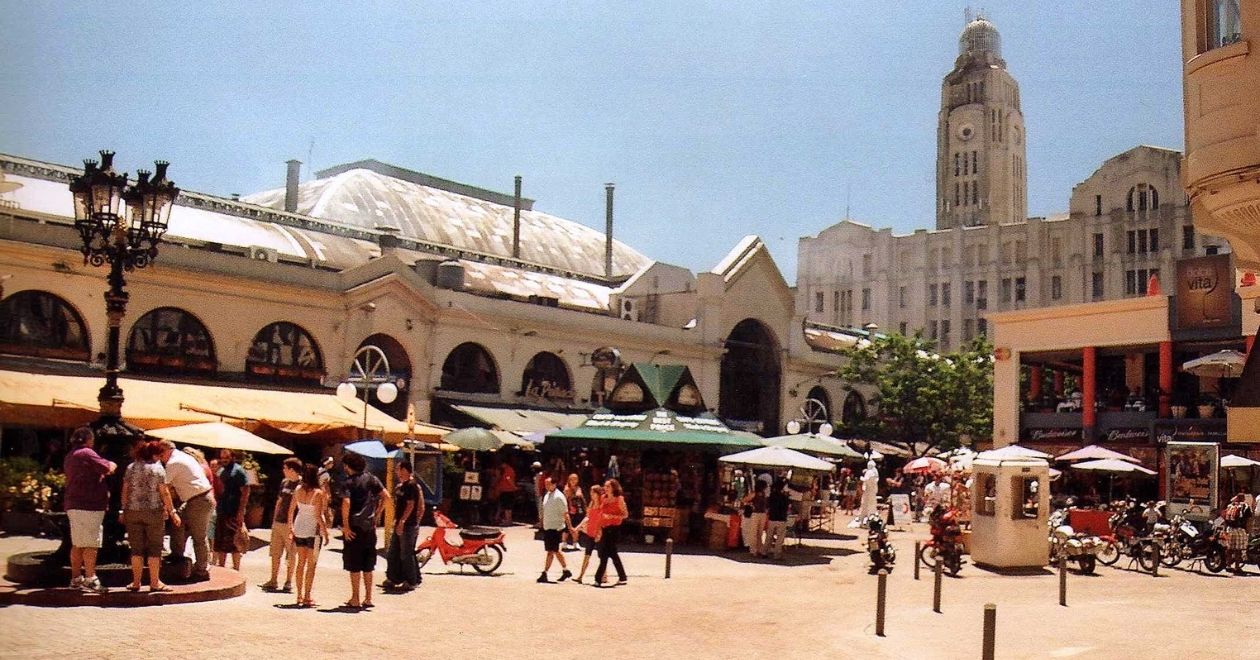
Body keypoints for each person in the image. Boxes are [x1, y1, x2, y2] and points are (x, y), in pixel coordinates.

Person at [62, 427, 116, 593]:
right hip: (90, 505)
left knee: (77, 543)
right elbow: (109, 468)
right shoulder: (87, 452)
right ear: (88, 439)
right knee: (91, 543)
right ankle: (91, 578)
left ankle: (76, 578)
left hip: (73, 503)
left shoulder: (70, 455)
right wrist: (112, 464)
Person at [121, 440, 178, 593]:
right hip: (154, 512)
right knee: (154, 549)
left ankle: (136, 582)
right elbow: (164, 492)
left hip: (133, 511)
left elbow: (125, 490)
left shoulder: (131, 467)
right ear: (154, 454)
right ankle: (154, 582)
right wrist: (172, 512)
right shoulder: (158, 469)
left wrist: (123, 510)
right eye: (159, 454)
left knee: (136, 549)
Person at [157, 439, 215, 583]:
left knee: (199, 536)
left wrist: (165, 507)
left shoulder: (173, 463)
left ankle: (202, 570)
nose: (159, 457)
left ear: (166, 451)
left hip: (199, 500)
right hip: (196, 499)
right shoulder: (183, 456)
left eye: (160, 454)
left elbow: (164, 487)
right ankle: (177, 554)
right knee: (178, 521)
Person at [339, 452, 384, 609]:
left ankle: (355, 598)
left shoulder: (347, 483)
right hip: (369, 527)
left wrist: (346, 526)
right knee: (368, 564)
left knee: (354, 564)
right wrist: (377, 514)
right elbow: (387, 497)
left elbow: (346, 503)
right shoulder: (372, 479)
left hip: (354, 528)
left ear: (348, 466)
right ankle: (368, 597)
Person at [288, 463, 330, 608]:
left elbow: (291, 510)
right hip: (313, 531)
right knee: (311, 565)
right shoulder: (318, 493)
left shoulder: (298, 489)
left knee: (300, 563)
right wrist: (326, 532)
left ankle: (298, 595)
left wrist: (291, 527)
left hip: (299, 528)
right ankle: (307, 596)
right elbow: (318, 515)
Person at [384, 460, 423, 591]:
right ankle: (393, 578)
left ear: (405, 470)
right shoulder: (401, 486)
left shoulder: (412, 486)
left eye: (399, 469)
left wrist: (403, 521)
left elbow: (411, 505)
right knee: (393, 551)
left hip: (408, 525)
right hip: (398, 523)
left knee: (406, 553)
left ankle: (411, 580)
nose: (397, 472)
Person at [263, 457, 301, 592]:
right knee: (275, 553)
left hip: (292, 524)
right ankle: (273, 579)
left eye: (285, 468)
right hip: (279, 522)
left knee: (291, 554)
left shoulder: (301, 485)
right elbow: (279, 501)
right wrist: (274, 520)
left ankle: (289, 581)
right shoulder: (284, 482)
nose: (283, 471)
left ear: (291, 469)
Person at [213, 449, 250, 571]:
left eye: (227, 457)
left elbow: (245, 491)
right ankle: (222, 569)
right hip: (222, 510)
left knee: (235, 542)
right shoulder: (222, 470)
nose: (224, 459)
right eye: (222, 457)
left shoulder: (239, 471)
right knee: (220, 543)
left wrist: (241, 511)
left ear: (233, 457)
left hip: (234, 511)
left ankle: (236, 569)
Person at [537, 476, 574, 583]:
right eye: (545, 484)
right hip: (548, 527)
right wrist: (542, 522)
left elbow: (565, 513)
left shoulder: (559, 497)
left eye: (548, 484)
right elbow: (544, 510)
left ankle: (544, 573)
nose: (546, 486)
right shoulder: (547, 495)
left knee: (550, 551)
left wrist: (570, 526)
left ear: (554, 484)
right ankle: (565, 570)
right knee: (556, 550)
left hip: (556, 527)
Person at [594, 478, 629, 587]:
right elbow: (600, 512)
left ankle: (598, 578)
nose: (606, 488)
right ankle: (622, 577)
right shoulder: (603, 498)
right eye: (605, 486)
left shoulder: (619, 499)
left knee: (604, 553)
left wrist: (612, 516)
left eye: (608, 486)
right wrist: (598, 527)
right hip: (605, 527)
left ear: (614, 487)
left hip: (614, 528)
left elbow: (625, 515)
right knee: (612, 553)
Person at [573, 485, 604, 584]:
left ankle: (604, 575)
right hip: (591, 532)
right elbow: (587, 517)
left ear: (598, 494)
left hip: (599, 533)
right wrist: (578, 527)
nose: (591, 495)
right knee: (587, 554)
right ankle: (581, 576)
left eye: (593, 493)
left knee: (602, 556)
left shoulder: (602, 505)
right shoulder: (591, 504)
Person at [1224, 493, 1252, 573]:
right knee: (1238, 549)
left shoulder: (1230, 506)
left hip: (1230, 529)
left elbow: (1226, 519)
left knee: (1229, 548)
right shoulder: (1246, 507)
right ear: (1243, 498)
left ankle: (1228, 565)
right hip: (1240, 530)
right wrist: (1248, 530)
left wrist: (1225, 529)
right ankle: (1237, 567)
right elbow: (1248, 520)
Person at [765, 478, 791, 560]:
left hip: (772, 517)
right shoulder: (784, 497)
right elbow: (787, 508)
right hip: (781, 518)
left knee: (769, 536)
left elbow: (768, 506)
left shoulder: (771, 496)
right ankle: (777, 554)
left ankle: (764, 552)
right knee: (780, 538)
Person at [563, 473, 586, 551]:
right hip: (569, 510)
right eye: (572, 479)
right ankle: (564, 543)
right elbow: (565, 499)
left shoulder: (578, 488)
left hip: (578, 510)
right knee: (567, 528)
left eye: (575, 479)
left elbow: (581, 496)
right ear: (569, 480)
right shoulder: (566, 488)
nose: (573, 481)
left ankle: (575, 543)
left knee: (576, 527)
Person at [497, 459, 518, 525]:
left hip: (507, 490)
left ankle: (507, 521)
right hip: (507, 490)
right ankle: (509, 520)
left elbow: (508, 479)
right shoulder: (508, 470)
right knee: (508, 507)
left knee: (507, 507)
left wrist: (514, 487)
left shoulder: (508, 470)